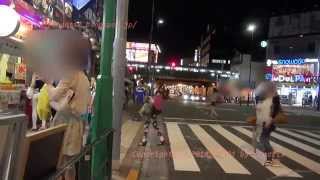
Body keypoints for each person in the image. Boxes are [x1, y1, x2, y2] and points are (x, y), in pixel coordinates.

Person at [255, 82, 281, 166]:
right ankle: (271, 156)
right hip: (263, 122)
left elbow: (274, 110)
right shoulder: (264, 98)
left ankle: (270, 158)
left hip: (268, 123)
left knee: (263, 140)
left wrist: (270, 120)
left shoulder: (273, 99)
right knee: (264, 140)